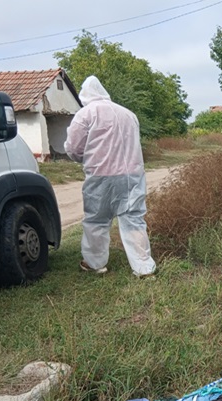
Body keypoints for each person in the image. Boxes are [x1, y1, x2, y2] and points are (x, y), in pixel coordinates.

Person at [64, 75, 157, 278]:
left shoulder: (85, 114)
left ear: (84, 94)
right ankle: (143, 268)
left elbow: (73, 147)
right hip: (132, 175)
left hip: (101, 175)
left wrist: (84, 158)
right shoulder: (128, 114)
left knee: (96, 220)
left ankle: (95, 263)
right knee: (134, 218)